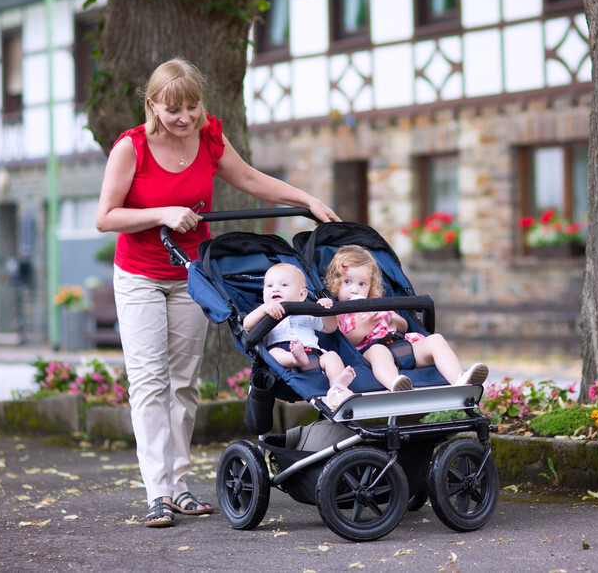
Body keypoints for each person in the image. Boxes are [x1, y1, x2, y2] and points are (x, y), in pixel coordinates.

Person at [95, 58, 339, 528]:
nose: (184, 118)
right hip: (140, 275)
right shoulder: (132, 148)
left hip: (191, 274)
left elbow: (248, 178)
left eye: (191, 107)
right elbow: (105, 217)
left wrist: (304, 199)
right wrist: (162, 212)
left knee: (184, 382)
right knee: (149, 383)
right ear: (153, 106)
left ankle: (181, 487)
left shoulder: (208, 136)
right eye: (173, 110)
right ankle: (157, 493)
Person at [323, 244, 488, 391]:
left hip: (402, 345)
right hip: (370, 350)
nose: (354, 290)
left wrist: (393, 321)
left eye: (362, 284)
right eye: (348, 282)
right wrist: (362, 330)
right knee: (379, 352)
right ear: (336, 283)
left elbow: (403, 325)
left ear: (370, 286)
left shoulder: (376, 305)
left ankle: (459, 379)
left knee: (436, 339)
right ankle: (395, 383)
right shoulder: (340, 313)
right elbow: (346, 342)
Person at [242, 263, 355, 407]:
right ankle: (295, 358)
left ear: (301, 295)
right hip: (286, 363)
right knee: (274, 353)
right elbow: (246, 325)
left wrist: (325, 309)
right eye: (269, 286)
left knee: (331, 356)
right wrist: (264, 309)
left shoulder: (307, 313)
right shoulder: (265, 314)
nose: (275, 289)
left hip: (313, 360)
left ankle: (338, 386)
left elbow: (330, 327)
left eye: (284, 285)